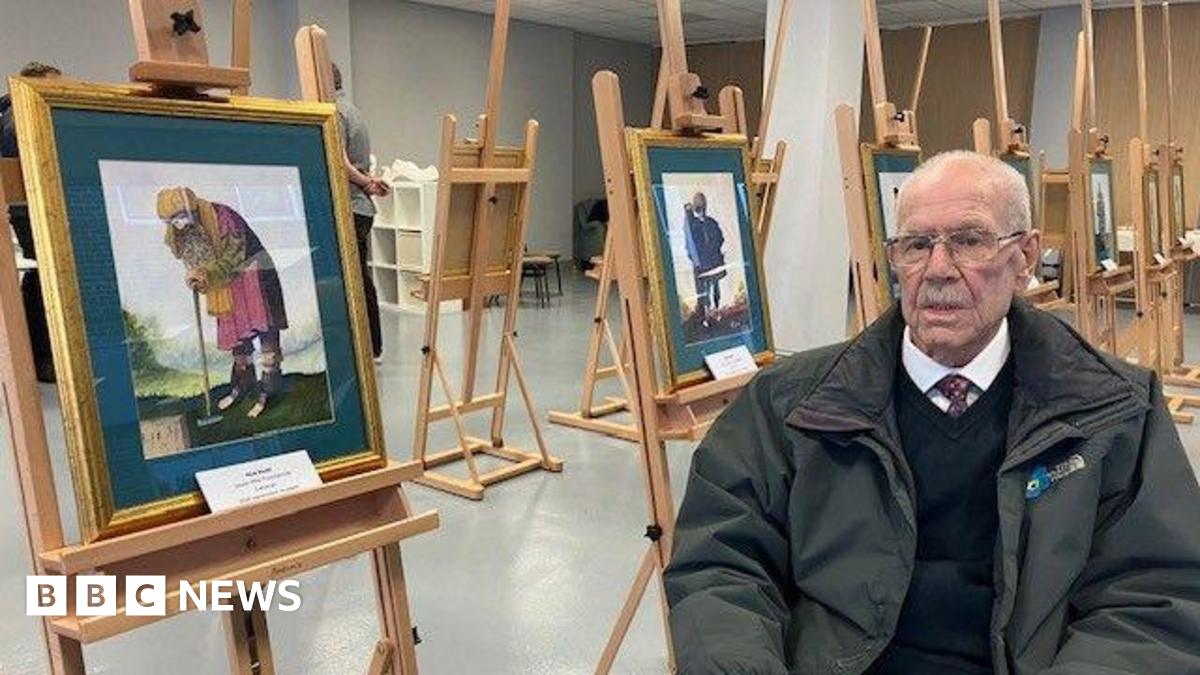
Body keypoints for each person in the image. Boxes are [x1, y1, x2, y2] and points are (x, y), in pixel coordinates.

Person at [663, 151, 1200, 674]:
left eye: (969, 241)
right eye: (916, 245)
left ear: (1026, 257)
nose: (938, 269)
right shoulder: (787, 406)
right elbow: (721, 566)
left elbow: (1156, 596)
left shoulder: (1113, 411)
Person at [158, 186, 288, 419]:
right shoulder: (181, 232)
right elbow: (193, 260)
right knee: (236, 337)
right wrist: (196, 277)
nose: (177, 223)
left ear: (192, 208)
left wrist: (207, 275)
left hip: (252, 273)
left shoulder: (222, 217)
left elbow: (233, 256)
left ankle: (269, 391)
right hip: (225, 285)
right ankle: (241, 386)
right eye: (171, 220)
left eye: (179, 216)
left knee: (265, 332)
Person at [1, 61, 62, 382]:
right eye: (51, 86)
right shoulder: (18, 118)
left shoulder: (13, 115)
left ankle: (45, 355)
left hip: (33, 208)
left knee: (41, 273)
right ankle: (44, 357)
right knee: (45, 274)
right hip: (31, 209)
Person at [332, 62, 388, 362]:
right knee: (361, 278)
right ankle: (371, 345)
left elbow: (337, 160)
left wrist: (367, 183)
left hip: (353, 207)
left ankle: (367, 346)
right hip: (361, 207)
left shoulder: (335, 113)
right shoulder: (351, 110)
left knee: (354, 279)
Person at [683, 192, 726, 325]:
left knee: (716, 286)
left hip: (714, 261)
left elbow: (720, 238)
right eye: (698, 204)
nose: (701, 207)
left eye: (702, 204)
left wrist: (715, 251)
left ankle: (716, 310)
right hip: (701, 263)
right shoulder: (692, 223)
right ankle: (707, 316)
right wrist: (688, 213)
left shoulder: (712, 222)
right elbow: (690, 242)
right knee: (704, 290)